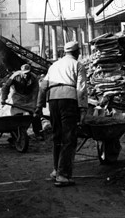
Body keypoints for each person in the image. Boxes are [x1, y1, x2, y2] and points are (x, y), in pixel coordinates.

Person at [35, 40, 88, 187]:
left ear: (65, 52)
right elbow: (81, 88)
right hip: (68, 101)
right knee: (69, 138)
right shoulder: (77, 65)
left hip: (53, 101)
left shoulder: (54, 65)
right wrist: (83, 109)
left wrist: (39, 106)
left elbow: (43, 86)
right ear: (77, 52)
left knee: (57, 136)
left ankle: (56, 170)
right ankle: (63, 175)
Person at [0, 63, 42, 138]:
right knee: (17, 116)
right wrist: (3, 98)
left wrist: (36, 105)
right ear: (21, 72)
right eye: (24, 73)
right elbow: (6, 87)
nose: (26, 75)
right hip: (18, 97)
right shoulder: (15, 76)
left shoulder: (34, 77)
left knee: (35, 114)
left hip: (30, 96)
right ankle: (16, 135)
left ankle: (37, 133)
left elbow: (36, 91)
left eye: (28, 73)